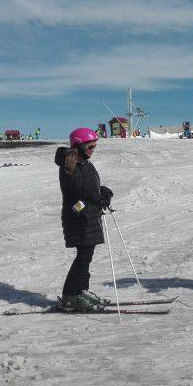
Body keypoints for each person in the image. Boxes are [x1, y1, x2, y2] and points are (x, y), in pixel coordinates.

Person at [54, 127, 114, 311]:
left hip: (88, 214)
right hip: (77, 215)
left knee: (86, 257)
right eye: (90, 146)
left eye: (94, 147)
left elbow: (91, 185)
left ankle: (80, 290)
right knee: (83, 257)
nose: (92, 150)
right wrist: (97, 197)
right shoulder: (70, 164)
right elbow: (79, 189)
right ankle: (70, 296)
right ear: (78, 145)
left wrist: (103, 190)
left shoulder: (86, 163)